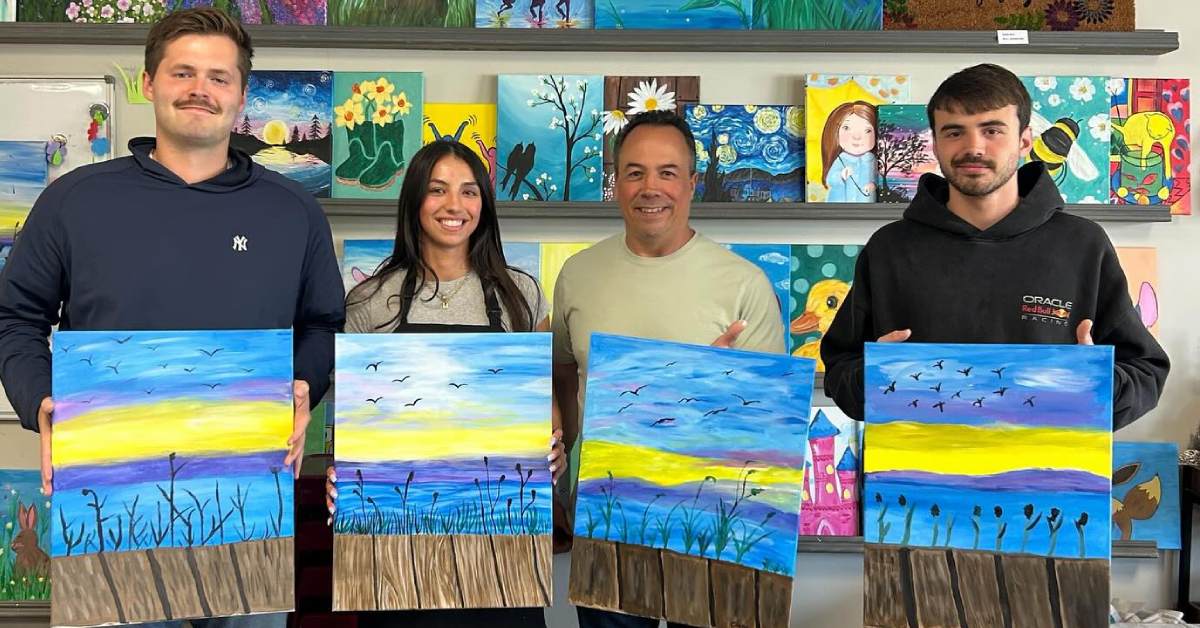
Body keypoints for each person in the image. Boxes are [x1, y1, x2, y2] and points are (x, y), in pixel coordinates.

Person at [0, 8, 345, 628]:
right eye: (182, 72)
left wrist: (304, 384)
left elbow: (323, 324)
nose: (200, 90)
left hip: (247, 505)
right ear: (150, 81)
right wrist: (41, 399)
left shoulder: (292, 212)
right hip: (109, 499)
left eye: (219, 77)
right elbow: (14, 316)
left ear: (242, 95)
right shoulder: (75, 200)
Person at [820, 63, 1169, 429]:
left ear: (1024, 140)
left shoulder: (1083, 244)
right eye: (954, 132)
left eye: (992, 130)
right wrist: (875, 378)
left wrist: (1094, 382)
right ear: (936, 144)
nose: (973, 147)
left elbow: (1146, 372)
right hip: (914, 480)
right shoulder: (889, 248)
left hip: (1052, 478)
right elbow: (839, 369)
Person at [551, 110, 785, 628]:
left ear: (693, 183)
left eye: (667, 172)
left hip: (710, 515)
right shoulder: (577, 274)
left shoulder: (744, 284)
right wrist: (563, 479)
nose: (650, 187)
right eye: (634, 172)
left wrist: (712, 384)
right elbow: (563, 376)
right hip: (607, 512)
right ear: (615, 183)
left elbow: (767, 424)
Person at [327, 140, 565, 628]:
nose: (455, 206)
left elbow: (545, 405)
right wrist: (341, 475)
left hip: (503, 544)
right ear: (414, 200)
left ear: (484, 204)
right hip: (396, 545)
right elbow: (350, 427)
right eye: (437, 190)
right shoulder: (370, 300)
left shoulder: (520, 293)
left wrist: (554, 448)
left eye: (469, 191)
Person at [821, 101, 877, 202]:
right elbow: (830, 180)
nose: (857, 137)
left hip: (866, 205)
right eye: (846, 128)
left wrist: (873, 185)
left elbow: (879, 178)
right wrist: (841, 175)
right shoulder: (842, 159)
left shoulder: (872, 160)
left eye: (867, 130)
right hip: (839, 205)